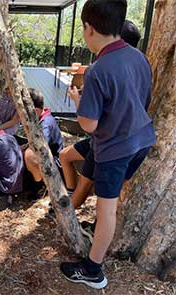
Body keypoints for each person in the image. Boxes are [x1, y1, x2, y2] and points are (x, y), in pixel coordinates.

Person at [59, 0, 156, 289]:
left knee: (107, 210)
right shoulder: (139, 57)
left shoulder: (98, 70)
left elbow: (89, 124)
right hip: (142, 141)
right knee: (108, 205)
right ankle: (101, 235)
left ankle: (93, 270)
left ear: (89, 29)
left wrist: (78, 102)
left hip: (116, 148)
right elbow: (143, 99)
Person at [59, 19, 144, 208]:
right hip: (112, 140)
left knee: (92, 187)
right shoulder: (136, 66)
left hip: (109, 142)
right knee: (66, 156)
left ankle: (71, 214)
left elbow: (91, 122)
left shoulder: (107, 67)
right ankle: (74, 202)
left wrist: (78, 101)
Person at [23, 88, 63, 199]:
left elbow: (40, 146)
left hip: (53, 160)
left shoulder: (46, 123)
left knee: (29, 155)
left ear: (35, 111)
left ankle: (39, 185)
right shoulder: (42, 117)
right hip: (47, 155)